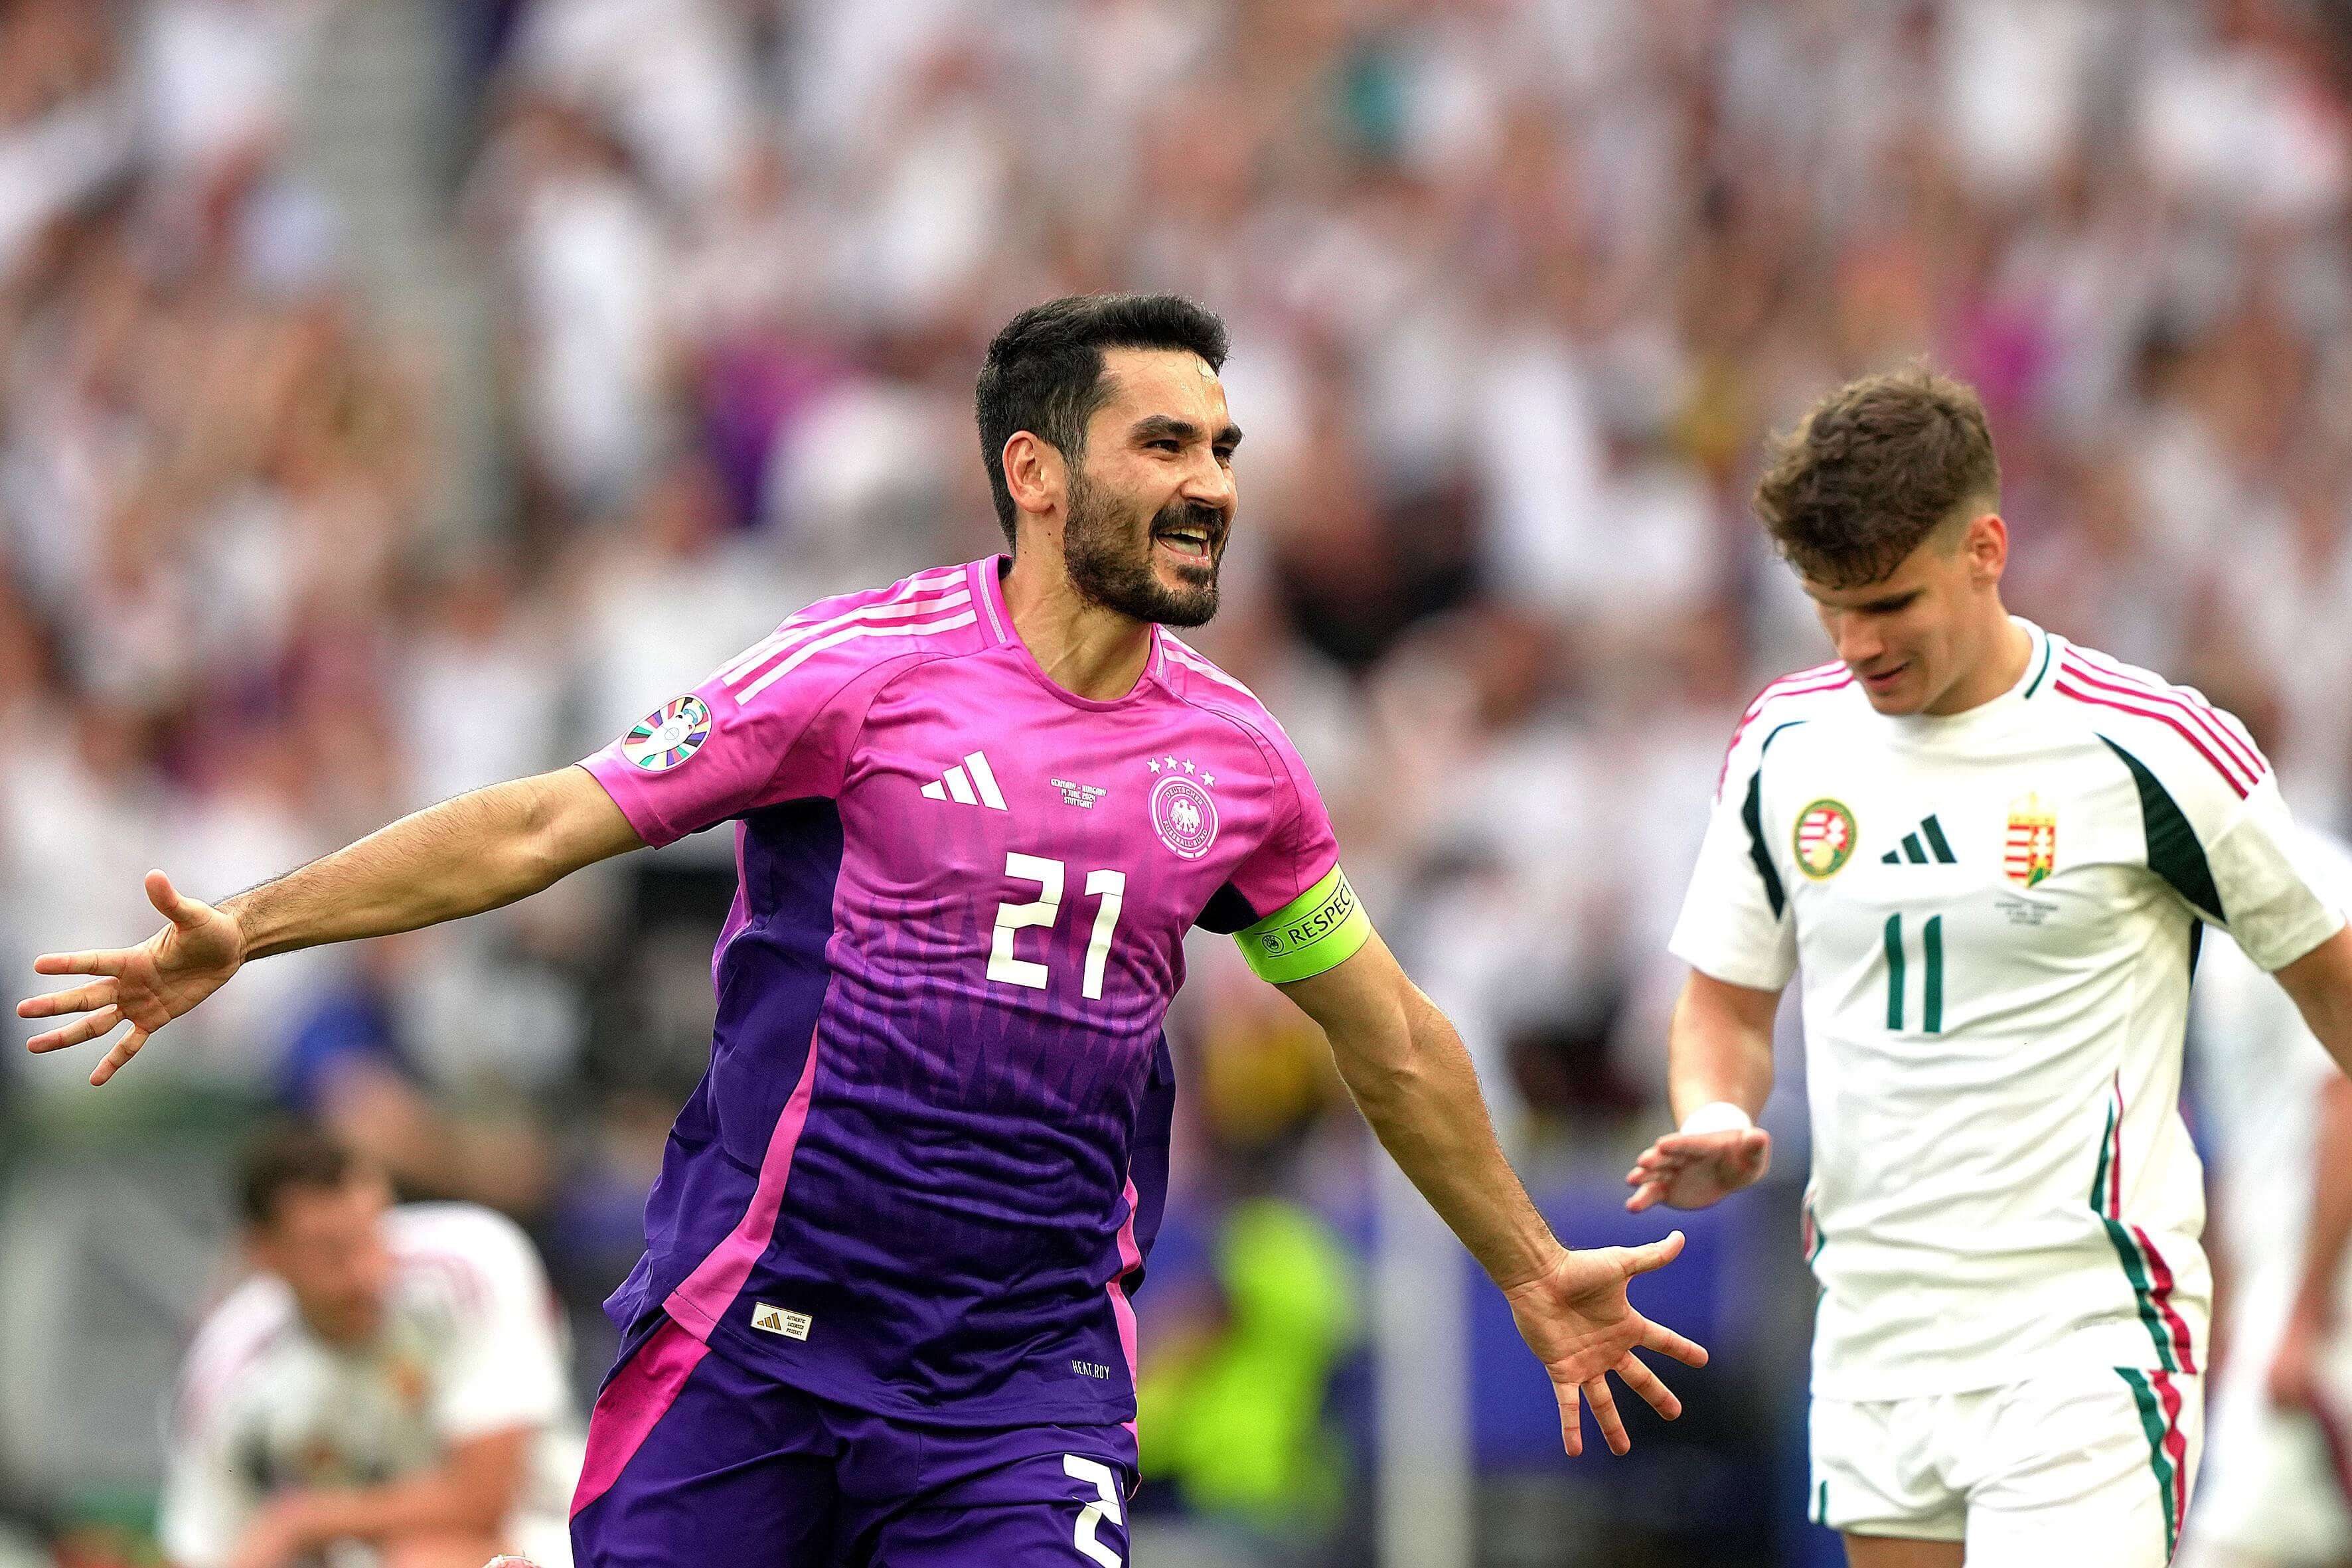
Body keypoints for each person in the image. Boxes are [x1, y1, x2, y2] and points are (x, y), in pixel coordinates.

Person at [23, 293, 1706, 1568]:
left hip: (1019, 1382)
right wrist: (251, 923)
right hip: (756, 1340)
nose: (1211, 487)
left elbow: (1386, 1030)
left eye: (1222, 450)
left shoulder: (1241, 764)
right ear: (1035, 473)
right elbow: (544, 823)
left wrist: (1525, 1260)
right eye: (1165, 447)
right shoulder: (857, 674)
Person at [1624, 365, 2352, 1567]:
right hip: (1873, 1328)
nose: (1857, 644)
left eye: (1889, 603)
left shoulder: (2149, 746)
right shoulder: (1781, 745)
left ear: (1984, 550)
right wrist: (1712, 1108)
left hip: (2083, 1333)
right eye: (1828, 607)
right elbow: (1725, 1005)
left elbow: (2331, 982)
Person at [159, 1123, 580, 1568]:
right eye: (330, 1252)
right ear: (264, 1253)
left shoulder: (474, 1263)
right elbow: (203, 1549)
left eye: (373, 1232)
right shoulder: (226, 1366)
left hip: (551, 1533)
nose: (367, 1273)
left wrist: (300, 1522)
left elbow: (482, 1501)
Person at [2179, 828, 2352, 1568]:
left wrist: (2304, 1310)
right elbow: (2234, 1130)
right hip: (2271, 1294)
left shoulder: (2309, 879)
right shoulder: (2189, 904)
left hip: (2315, 1297)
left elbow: (2345, 1099)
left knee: (2236, 1545)